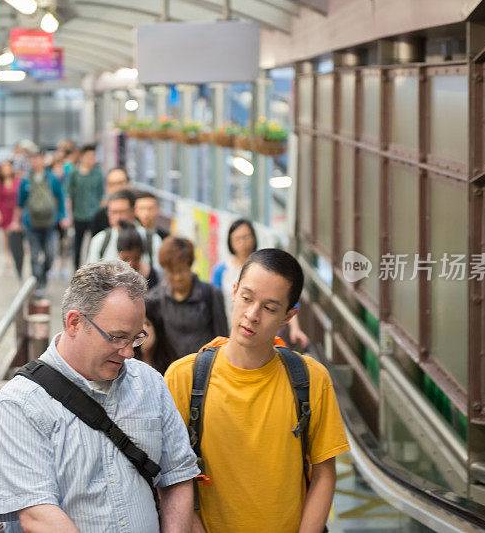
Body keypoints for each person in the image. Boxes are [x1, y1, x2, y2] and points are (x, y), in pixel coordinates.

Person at [0, 260, 198, 533]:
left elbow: (177, 476)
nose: (129, 352)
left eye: (136, 337)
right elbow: (37, 514)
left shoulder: (149, 383)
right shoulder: (19, 405)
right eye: (117, 337)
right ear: (75, 322)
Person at [164, 249, 350, 533]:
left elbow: (325, 474)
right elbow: (171, 477)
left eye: (270, 308)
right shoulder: (184, 377)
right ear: (234, 291)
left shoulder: (311, 379)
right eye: (247, 298)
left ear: (289, 315)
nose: (252, 315)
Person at [212, 219, 309, 350]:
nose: (243, 242)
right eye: (238, 238)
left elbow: (288, 300)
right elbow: (215, 305)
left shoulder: (267, 269)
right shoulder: (221, 271)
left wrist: (295, 328)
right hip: (230, 330)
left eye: (246, 237)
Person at [147, 236, 227, 357]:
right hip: (172, 369)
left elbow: (223, 339)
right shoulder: (155, 298)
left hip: (205, 367)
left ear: (190, 266)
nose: (177, 277)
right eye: (172, 272)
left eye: (182, 270)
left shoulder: (210, 294)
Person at [11, 151, 67, 290]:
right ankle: (37, 284)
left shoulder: (51, 178)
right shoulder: (26, 180)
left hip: (50, 223)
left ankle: (43, 275)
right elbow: (20, 202)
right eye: (33, 160)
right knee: (35, 256)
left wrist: (63, 216)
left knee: (51, 255)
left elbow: (60, 197)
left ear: (43, 160)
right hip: (31, 224)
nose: (35, 162)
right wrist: (16, 221)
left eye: (38, 159)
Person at [87, 190, 162, 267]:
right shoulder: (100, 240)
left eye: (122, 212)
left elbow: (159, 274)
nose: (118, 218)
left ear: (133, 211)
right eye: (113, 212)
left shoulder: (152, 240)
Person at [66, 144, 103, 269]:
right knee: (78, 243)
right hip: (78, 214)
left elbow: (101, 196)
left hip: (94, 214)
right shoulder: (74, 173)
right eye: (88, 156)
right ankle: (76, 269)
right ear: (82, 157)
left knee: (94, 243)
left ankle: (93, 268)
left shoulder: (97, 174)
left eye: (93, 156)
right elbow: (69, 195)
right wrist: (69, 215)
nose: (91, 159)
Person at [134, 303, 178, 375]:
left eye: (147, 323)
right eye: (137, 323)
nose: (142, 329)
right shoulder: (124, 365)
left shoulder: (172, 367)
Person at [0, 160, 20, 266]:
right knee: (6, 236)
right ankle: (7, 256)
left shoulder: (17, 180)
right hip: (4, 211)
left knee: (17, 234)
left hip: (15, 211)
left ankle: (18, 253)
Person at [117, 220, 159, 289]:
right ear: (119, 254)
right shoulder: (112, 277)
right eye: (126, 259)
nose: (131, 264)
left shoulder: (150, 273)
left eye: (136, 259)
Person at [92, 167, 132, 235]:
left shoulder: (139, 211)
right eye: (112, 184)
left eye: (120, 183)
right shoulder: (99, 217)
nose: (117, 188)